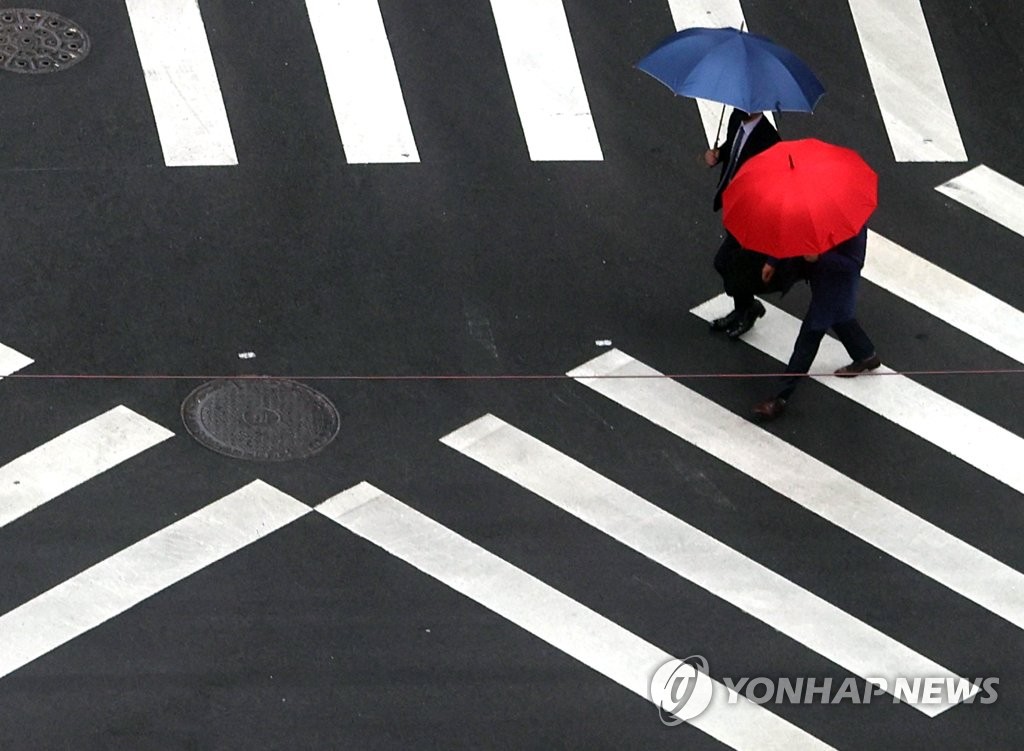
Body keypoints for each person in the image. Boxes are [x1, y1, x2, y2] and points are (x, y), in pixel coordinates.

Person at [752, 224, 882, 420]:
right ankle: (866, 355)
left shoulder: (853, 227)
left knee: (808, 339)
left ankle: (780, 397)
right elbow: (794, 232)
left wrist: (820, 257)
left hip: (837, 289)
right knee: (841, 320)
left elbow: (854, 264)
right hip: (820, 280)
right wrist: (774, 260)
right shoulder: (814, 212)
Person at [704, 108, 781, 338]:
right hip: (733, 204)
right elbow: (733, 148)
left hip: (753, 213)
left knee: (725, 262)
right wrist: (718, 154)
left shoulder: (770, 140)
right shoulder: (736, 117)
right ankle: (743, 308)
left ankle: (748, 309)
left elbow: (774, 183)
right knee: (733, 263)